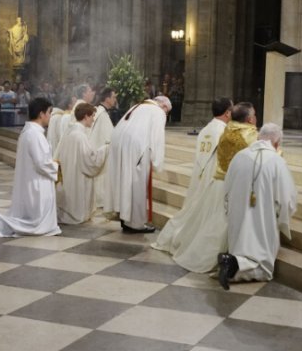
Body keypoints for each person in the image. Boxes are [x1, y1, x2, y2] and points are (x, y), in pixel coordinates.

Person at [161, 102, 257, 273]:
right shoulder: (231, 132)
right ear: (227, 113)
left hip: (207, 178)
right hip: (221, 179)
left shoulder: (206, 129)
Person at [217, 123, 298, 288]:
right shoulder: (277, 161)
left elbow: (226, 190)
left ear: (259, 137)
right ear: (277, 143)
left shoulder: (239, 156)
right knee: (261, 262)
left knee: (239, 245)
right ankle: (234, 265)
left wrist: (230, 211)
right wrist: (282, 218)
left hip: (237, 216)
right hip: (263, 219)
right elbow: (287, 199)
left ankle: (231, 259)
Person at [153, 96, 232, 255]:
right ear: (228, 113)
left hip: (200, 178)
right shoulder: (225, 132)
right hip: (214, 180)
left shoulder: (205, 130)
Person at [0, 98, 60, 237]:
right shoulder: (35, 135)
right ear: (41, 114)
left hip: (30, 181)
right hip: (37, 183)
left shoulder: (28, 132)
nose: (50, 116)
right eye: (49, 112)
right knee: (36, 224)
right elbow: (42, 163)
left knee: (32, 220)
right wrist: (57, 166)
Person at [103, 95, 172, 233]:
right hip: (136, 149)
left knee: (124, 182)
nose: (166, 114)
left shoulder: (137, 106)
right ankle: (135, 223)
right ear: (163, 106)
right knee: (136, 185)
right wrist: (157, 161)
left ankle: (124, 217)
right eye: (167, 111)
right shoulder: (158, 112)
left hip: (120, 144)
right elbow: (157, 137)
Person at [54, 102, 108, 224]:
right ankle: (76, 214)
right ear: (86, 116)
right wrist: (105, 149)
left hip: (70, 174)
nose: (93, 120)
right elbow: (90, 161)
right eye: (92, 116)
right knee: (77, 207)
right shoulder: (80, 136)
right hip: (77, 177)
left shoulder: (70, 132)